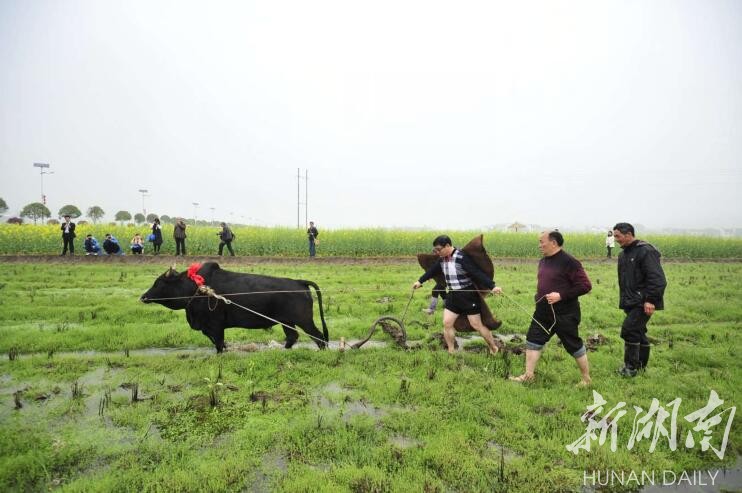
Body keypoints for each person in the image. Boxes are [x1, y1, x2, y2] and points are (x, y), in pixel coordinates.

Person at [509, 231, 593, 385]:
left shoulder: (570, 262)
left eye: (542, 242)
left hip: (564, 313)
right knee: (533, 340)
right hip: (542, 311)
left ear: (553, 243)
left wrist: (561, 295)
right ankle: (528, 376)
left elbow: (585, 285)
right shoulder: (543, 261)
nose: (539, 245)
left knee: (573, 344)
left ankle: (586, 379)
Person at [413, 235, 502, 355]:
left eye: (439, 249)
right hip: (453, 296)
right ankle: (451, 351)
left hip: (468, 296)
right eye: (436, 250)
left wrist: (492, 286)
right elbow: (432, 271)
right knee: (447, 323)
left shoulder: (461, 257)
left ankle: (493, 347)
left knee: (477, 324)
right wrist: (420, 281)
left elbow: (476, 273)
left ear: (448, 246)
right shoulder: (442, 259)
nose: (437, 252)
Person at [613, 222, 667, 377]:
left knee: (629, 330)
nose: (616, 239)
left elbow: (657, 279)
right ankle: (641, 367)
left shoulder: (645, 251)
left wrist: (651, 300)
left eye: (618, 236)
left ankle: (630, 368)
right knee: (638, 332)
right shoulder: (623, 254)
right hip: (630, 302)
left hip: (643, 302)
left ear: (629, 234)